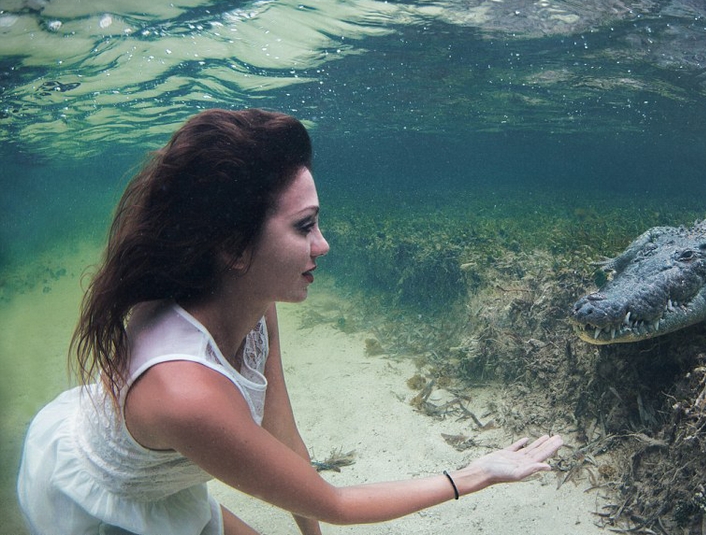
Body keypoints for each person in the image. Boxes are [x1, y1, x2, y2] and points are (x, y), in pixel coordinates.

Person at [16, 108, 564, 535]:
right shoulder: (186, 394)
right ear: (233, 247)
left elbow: (284, 439)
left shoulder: (253, 301)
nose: (322, 245)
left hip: (156, 479)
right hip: (91, 500)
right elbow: (336, 502)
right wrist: (476, 474)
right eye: (304, 226)